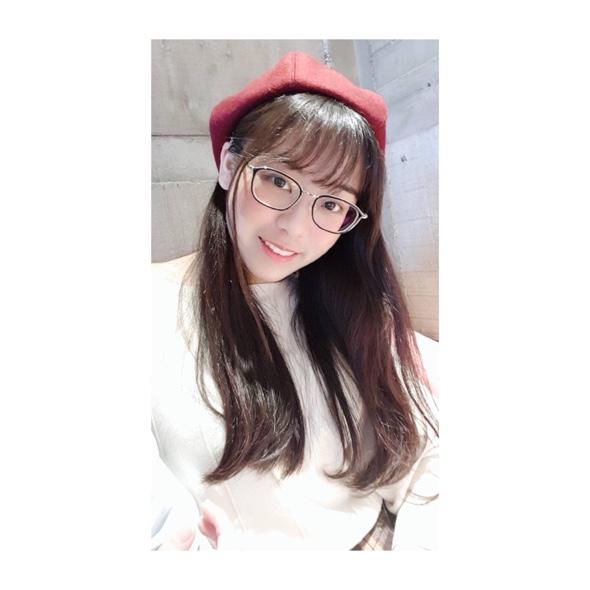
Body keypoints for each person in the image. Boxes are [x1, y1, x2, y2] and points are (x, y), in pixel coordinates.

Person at [151, 51, 439, 550]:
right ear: (229, 165)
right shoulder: (147, 306)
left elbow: (428, 451)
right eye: (278, 180)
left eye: (330, 203)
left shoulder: (352, 306)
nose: (295, 227)